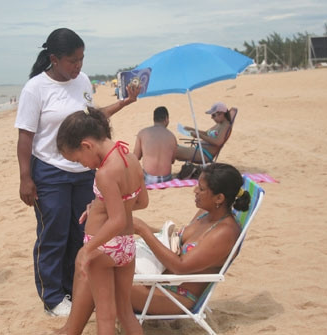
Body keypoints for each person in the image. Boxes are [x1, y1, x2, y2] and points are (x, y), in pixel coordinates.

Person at [15, 27, 139, 316]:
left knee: (82, 230)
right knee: (53, 233)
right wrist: (25, 177)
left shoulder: (82, 80)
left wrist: (125, 102)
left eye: (82, 59)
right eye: (73, 60)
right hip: (50, 170)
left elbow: (92, 120)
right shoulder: (35, 88)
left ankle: (75, 290)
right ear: (54, 59)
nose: (79, 66)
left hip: (84, 169)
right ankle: (53, 298)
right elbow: (25, 137)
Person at [55, 162, 250, 333]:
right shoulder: (206, 214)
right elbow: (174, 239)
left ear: (219, 198)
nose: (195, 192)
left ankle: (71, 331)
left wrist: (142, 230)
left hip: (175, 297)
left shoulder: (224, 233)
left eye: (201, 189)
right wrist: (103, 211)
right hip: (160, 281)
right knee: (95, 263)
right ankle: (70, 329)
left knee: (96, 273)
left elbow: (181, 267)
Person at [56, 107, 148, 335]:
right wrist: (101, 204)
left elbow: (115, 220)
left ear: (86, 145)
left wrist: (87, 249)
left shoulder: (105, 172)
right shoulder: (130, 158)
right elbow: (141, 202)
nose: (83, 165)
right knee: (125, 312)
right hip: (126, 245)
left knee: (105, 316)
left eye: (78, 160)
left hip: (105, 247)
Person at [133, 106, 177, 184]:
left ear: (154, 119)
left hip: (148, 178)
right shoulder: (172, 136)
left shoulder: (143, 133)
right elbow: (172, 161)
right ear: (166, 119)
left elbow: (135, 157)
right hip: (166, 178)